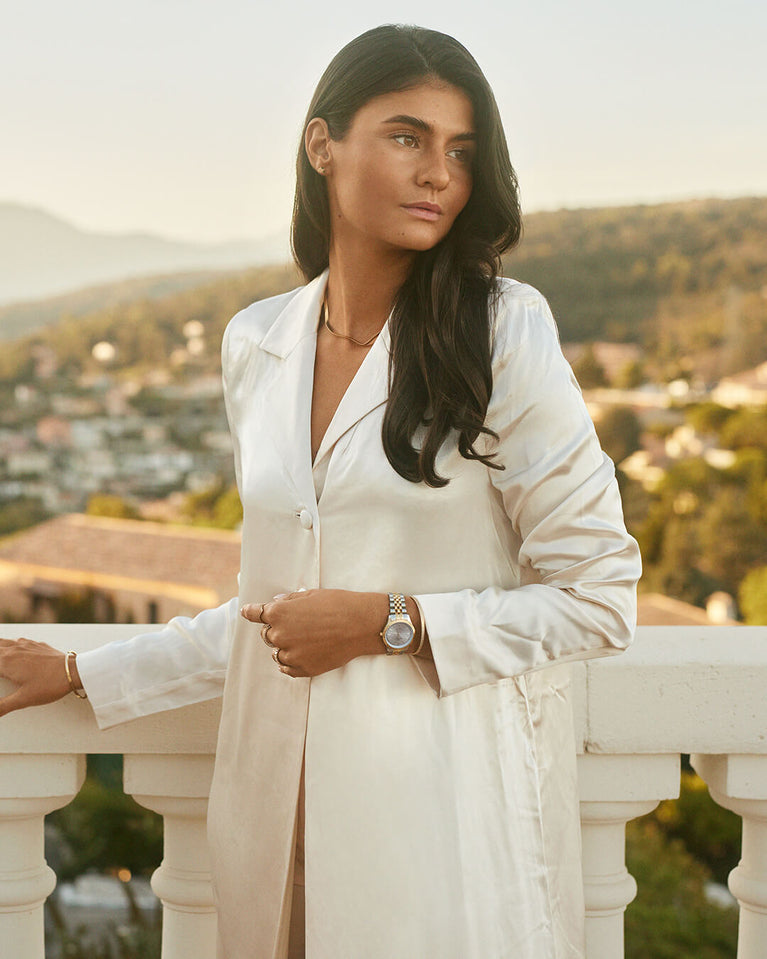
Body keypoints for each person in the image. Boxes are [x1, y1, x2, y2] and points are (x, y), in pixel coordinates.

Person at [0, 23, 642, 959]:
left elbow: (598, 596)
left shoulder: (503, 330)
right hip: (273, 817)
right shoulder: (256, 342)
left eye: (461, 151)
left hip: (438, 827)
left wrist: (394, 620)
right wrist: (79, 672)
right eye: (406, 136)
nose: (438, 174)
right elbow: (276, 610)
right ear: (321, 144)